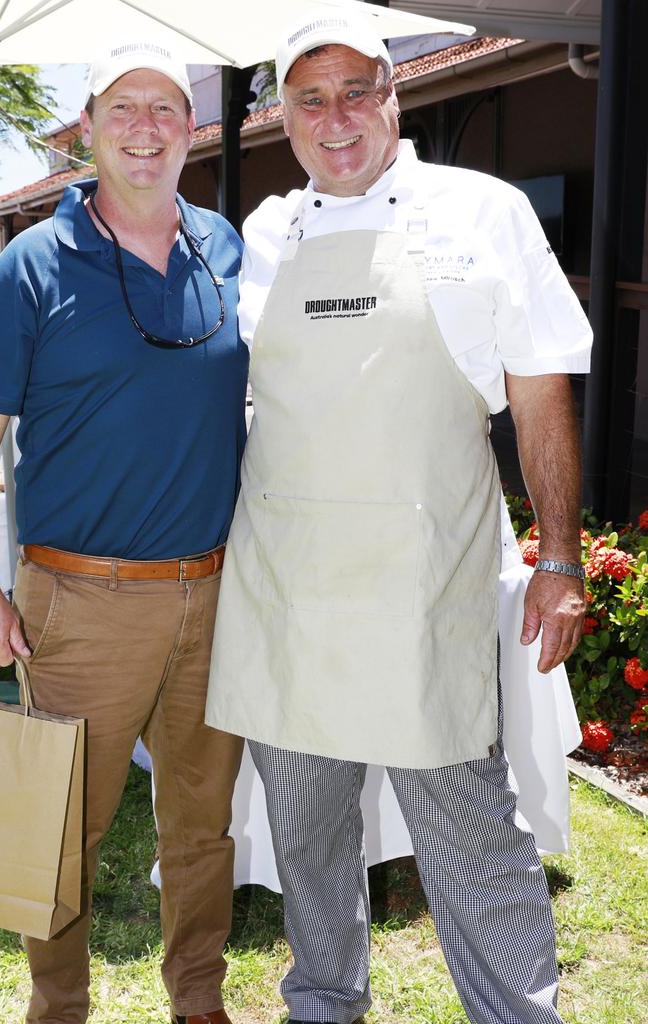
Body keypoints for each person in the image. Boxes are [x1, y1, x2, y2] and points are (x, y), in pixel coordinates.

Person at [206, 10, 592, 1024]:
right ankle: (324, 1004)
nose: (335, 118)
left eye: (356, 91)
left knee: (472, 839)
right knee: (309, 837)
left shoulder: (481, 210)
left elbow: (543, 383)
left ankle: (516, 1012)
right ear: (281, 114)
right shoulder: (263, 234)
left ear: (396, 95)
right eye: (309, 97)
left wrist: (561, 557)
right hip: (287, 585)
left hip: (427, 583)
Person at [0, 38, 248, 1024]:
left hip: (216, 593)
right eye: (125, 107)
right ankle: (59, 1006)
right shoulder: (32, 264)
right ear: (87, 130)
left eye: (166, 108)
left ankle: (198, 997)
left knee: (201, 824)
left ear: (191, 131)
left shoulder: (224, 246)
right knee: (61, 828)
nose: (146, 127)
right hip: (81, 601)